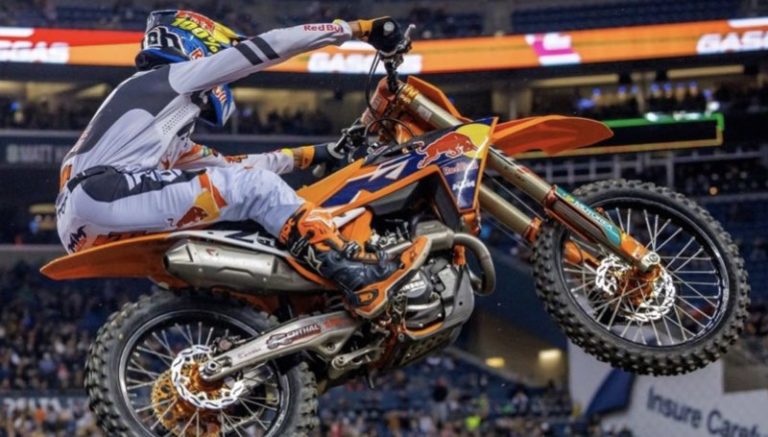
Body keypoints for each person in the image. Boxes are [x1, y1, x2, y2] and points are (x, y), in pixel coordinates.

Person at [55, 10, 428, 319]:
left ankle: (258, 318)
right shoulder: (172, 77)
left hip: (85, 218)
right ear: (196, 44)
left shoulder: (159, 125)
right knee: (253, 189)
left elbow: (231, 165)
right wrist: (357, 29)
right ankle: (354, 274)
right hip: (105, 191)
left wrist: (316, 154)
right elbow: (270, 46)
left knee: (241, 196)